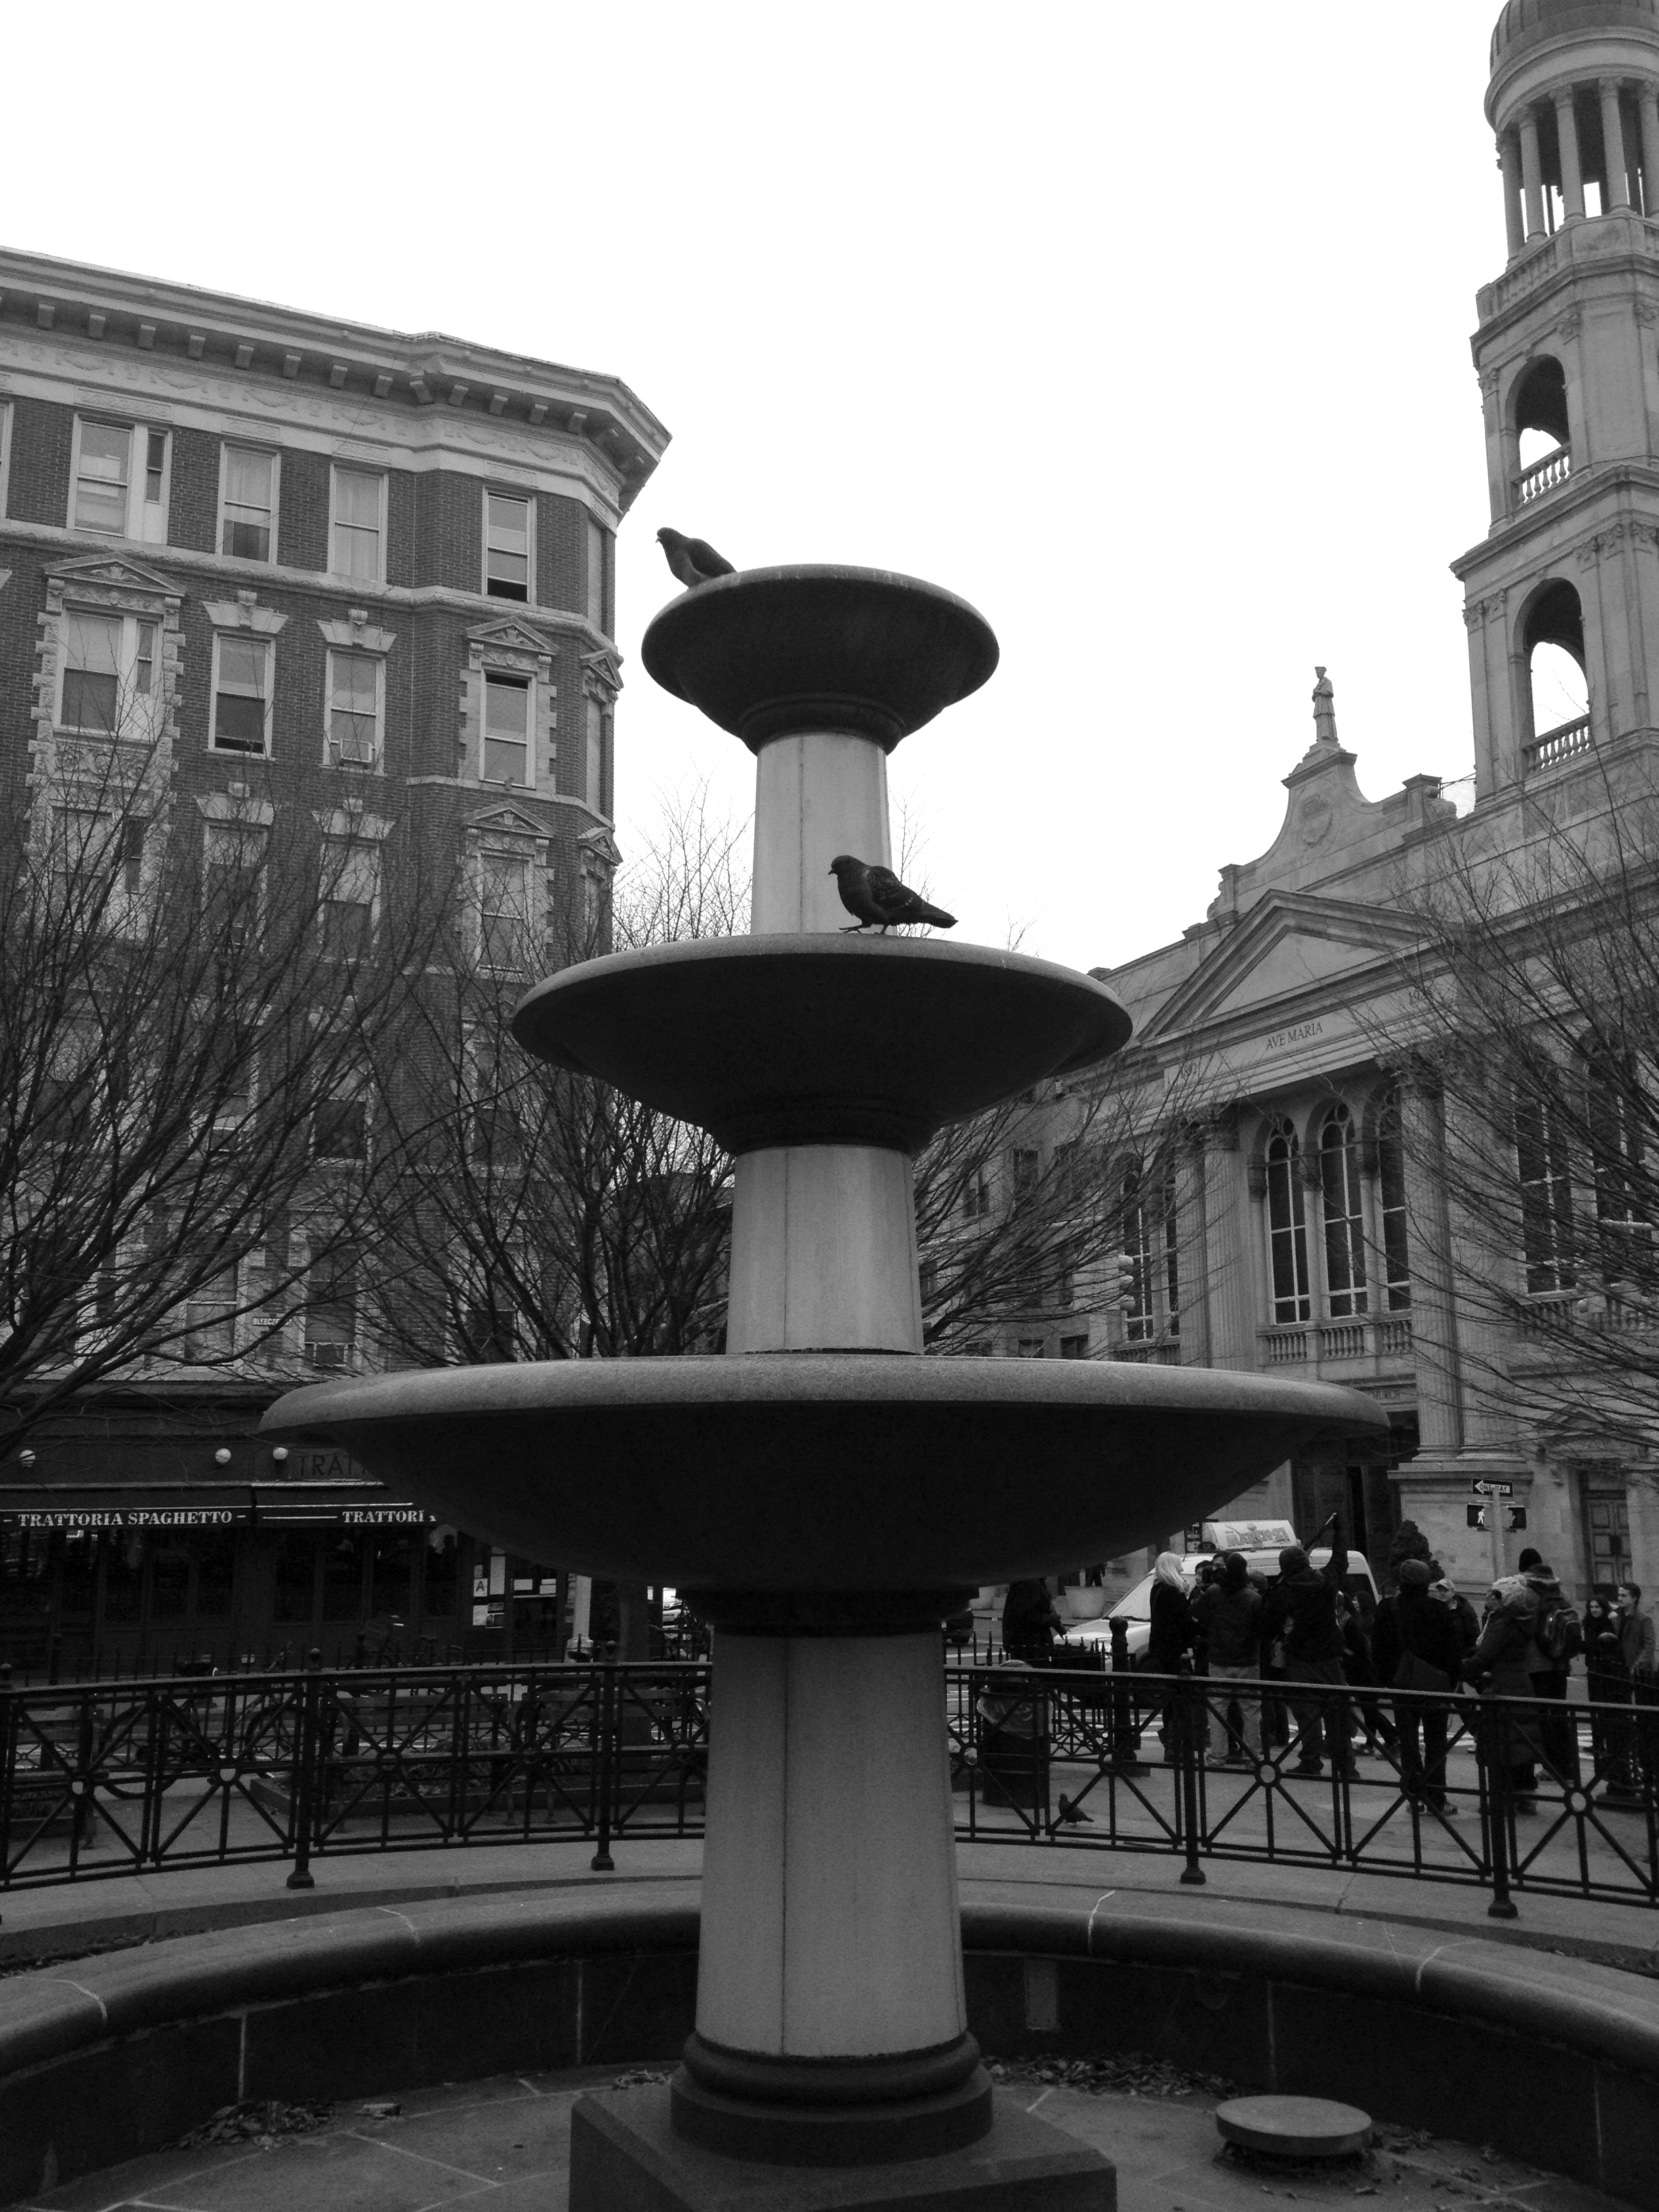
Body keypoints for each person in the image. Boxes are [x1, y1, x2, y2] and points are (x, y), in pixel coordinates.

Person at [1261, 1513, 1355, 1780]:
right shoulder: (1327, 1581)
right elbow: (1340, 1560)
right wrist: (1340, 1532)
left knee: (1307, 1713)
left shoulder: (1283, 1592)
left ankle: (1311, 1761)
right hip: (1331, 1657)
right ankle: (1345, 1766)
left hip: (1300, 1658)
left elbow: (1268, 1626)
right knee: (1336, 1713)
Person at [1372, 1559, 1464, 1812]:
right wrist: (1451, 1682)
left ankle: (1415, 1794)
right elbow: (1453, 1651)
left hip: (1402, 1685)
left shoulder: (1387, 1609)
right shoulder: (1438, 1610)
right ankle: (1436, 1797)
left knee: (1409, 1743)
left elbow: (1378, 1649)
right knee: (1436, 1743)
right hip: (1434, 1685)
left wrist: (1388, 1679)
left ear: (1402, 1581)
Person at [1467, 1578, 1545, 1810]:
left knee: (1500, 1742)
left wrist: (1460, 1668)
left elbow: (1485, 1655)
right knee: (1520, 1740)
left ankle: (1500, 1797)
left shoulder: (1503, 1622)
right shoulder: (1521, 1619)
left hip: (1500, 1685)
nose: (1490, 1597)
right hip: (1519, 1683)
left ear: (1507, 1599)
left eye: (1496, 1594)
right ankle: (1524, 1793)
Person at [1191, 1550, 1264, 1764]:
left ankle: (1218, 1754)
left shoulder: (1215, 1592)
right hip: (1247, 1660)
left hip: (1219, 1658)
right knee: (1250, 1709)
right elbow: (1262, 1629)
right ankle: (1253, 1755)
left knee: (1218, 1708)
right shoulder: (1253, 1598)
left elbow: (1196, 1612)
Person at [1521, 1558, 1580, 1785]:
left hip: (1537, 1666)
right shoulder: (1560, 1597)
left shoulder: (1530, 1596)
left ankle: (1552, 1766)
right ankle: (1568, 1766)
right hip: (1559, 1664)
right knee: (1559, 1716)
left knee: (1543, 1718)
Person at [1147, 1551, 1195, 1764]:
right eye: (1179, 1566)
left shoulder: (1157, 1589)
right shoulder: (1173, 1591)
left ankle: (1172, 1744)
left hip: (1163, 1650)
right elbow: (1184, 1622)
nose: (1182, 1570)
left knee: (1171, 1699)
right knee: (1181, 1699)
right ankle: (1176, 1746)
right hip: (1176, 1651)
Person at [1584, 1585, 1633, 1793]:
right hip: (1594, 1672)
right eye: (1591, 1607)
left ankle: (1618, 1772)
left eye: (1597, 1606)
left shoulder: (1609, 1623)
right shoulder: (1588, 1623)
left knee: (1611, 1719)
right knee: (1598, 1712)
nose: (1594, 1610)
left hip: (1607, 1675)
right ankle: (1600, 1746)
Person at [1001, 1579, 1062, 1666]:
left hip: (1028, 1641)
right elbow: (1028, 1614)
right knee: (1034, 1668)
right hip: (1031, 1642)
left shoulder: (1035, 1583)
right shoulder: (1031, 1585)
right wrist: (1051, 1619)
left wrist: (1057, 1624)